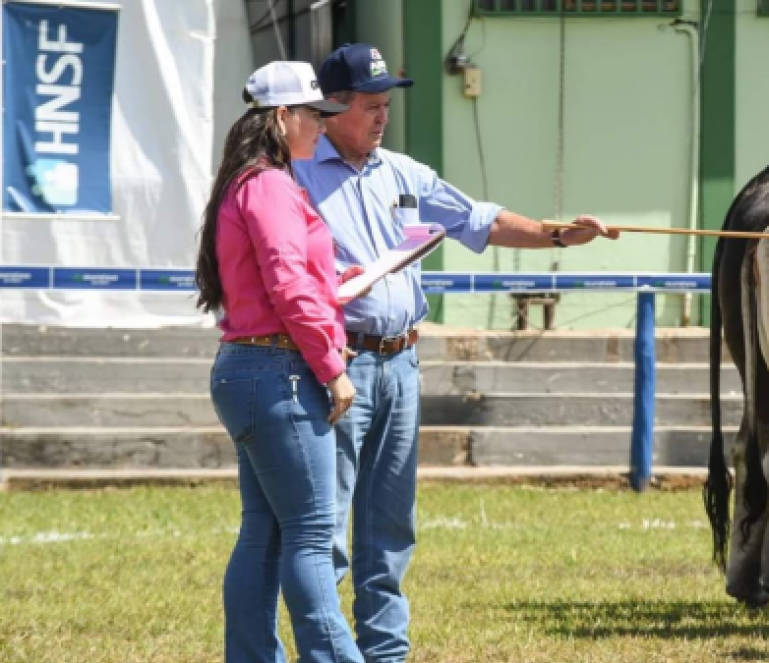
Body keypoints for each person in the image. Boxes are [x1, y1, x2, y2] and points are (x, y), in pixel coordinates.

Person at [292, 43, 617, 662]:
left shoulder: (404, 174)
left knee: (390, 525)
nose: (383, 116)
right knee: (326, 527)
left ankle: (386, 654)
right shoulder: (295, 176)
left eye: (387, 104)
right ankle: (328, 654)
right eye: (370, 105)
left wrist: (557, 234)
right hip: (338, 365)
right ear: (331, 108)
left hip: (401, 363)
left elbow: (479, 220)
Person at [195, 60, 367, 663]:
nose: (322, 126)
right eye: (314, 115)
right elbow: (287, 284)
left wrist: (336, 285)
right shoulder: (269, 184)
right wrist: (331, 366)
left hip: (254, 370)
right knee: (312, 534)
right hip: (278, 374)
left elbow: (283, 279)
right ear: (282, 116)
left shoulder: (248, 181)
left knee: (265, 533)